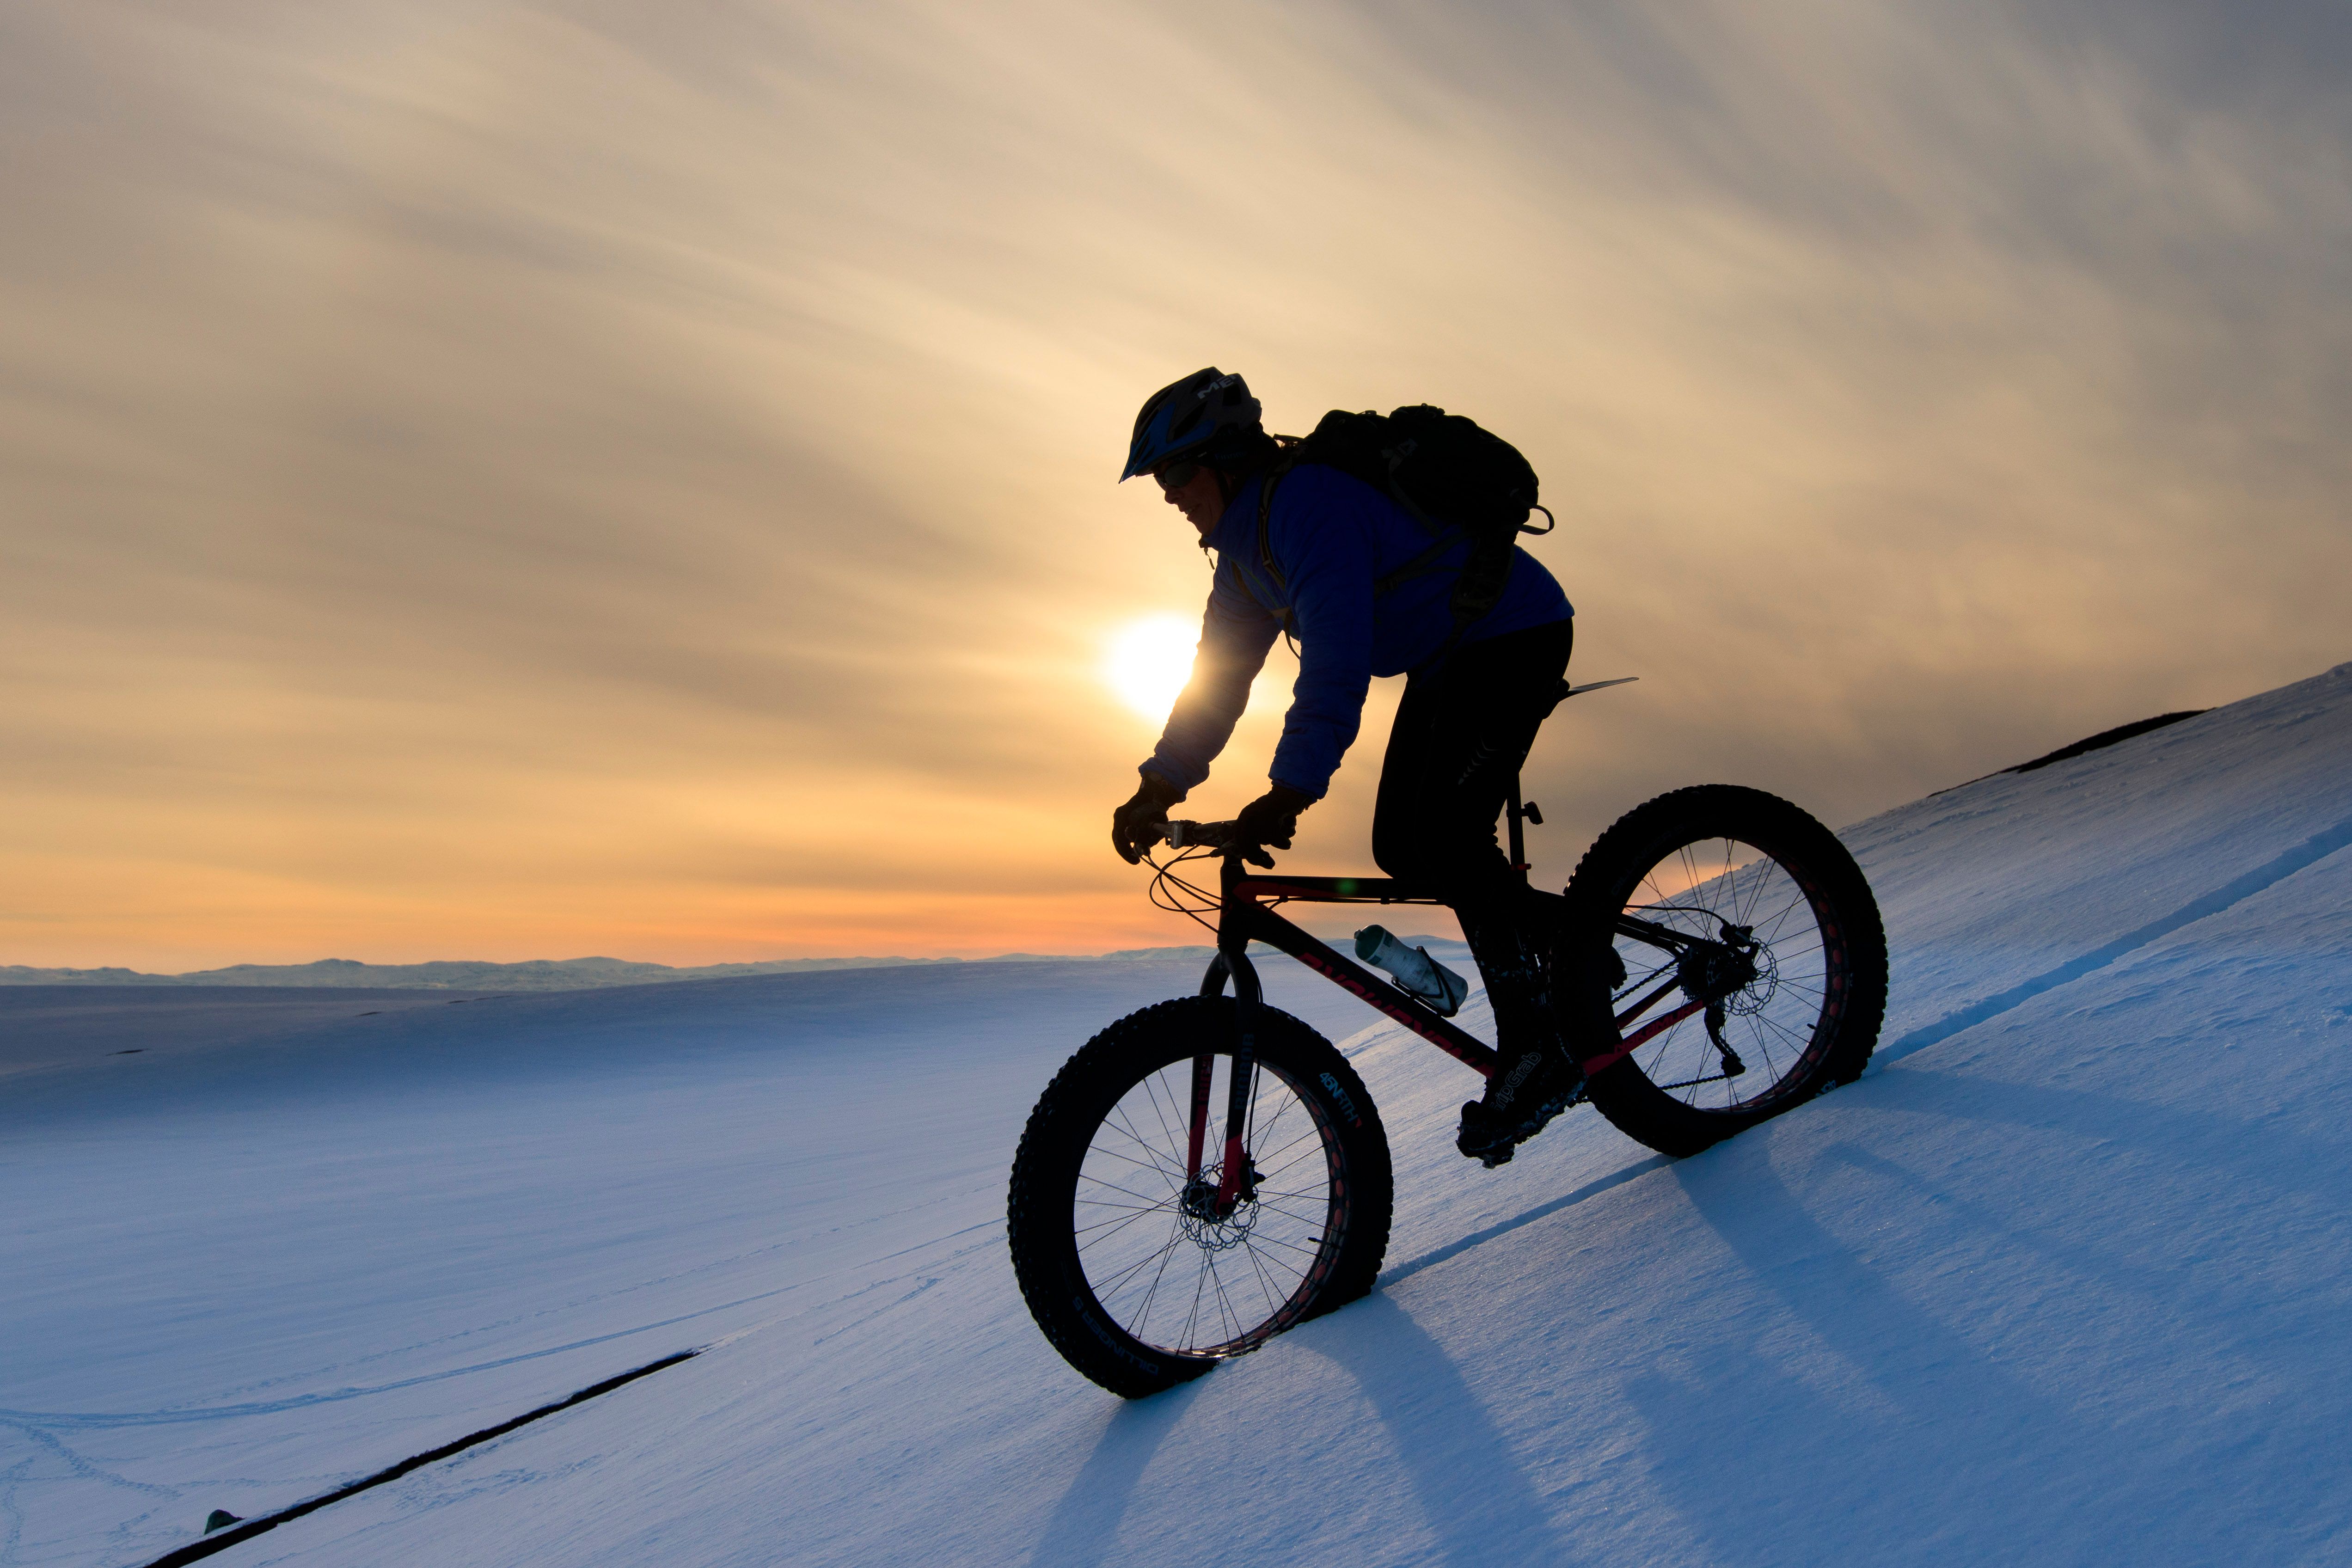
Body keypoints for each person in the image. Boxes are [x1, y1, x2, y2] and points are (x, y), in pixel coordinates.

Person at [1107, 368, 1580, 1165]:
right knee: (1403, 848)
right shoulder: (1245, 556)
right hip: (1448, 658)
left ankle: (1539, 1048)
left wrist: (1289, 790)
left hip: (1512, 636)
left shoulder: (1308, 507)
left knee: (1448, 836)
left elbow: (1337, 659)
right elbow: (1217, 680)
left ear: (1225, 458)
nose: (1169, 494)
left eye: (1178, 473)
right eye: (1162, 480)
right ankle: (1578, 941)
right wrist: (1159, 782)